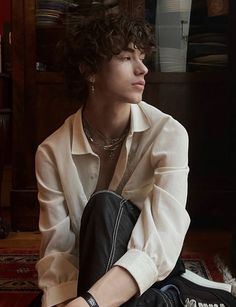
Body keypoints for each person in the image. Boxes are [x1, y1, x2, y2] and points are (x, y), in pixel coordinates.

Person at [34, 13, 236, 307]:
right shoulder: (51, 152)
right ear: (89, 70)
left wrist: (89, 302)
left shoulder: (169, 134)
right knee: (101, 211)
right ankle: (174, 298)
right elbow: (58, 250)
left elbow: (163, 240)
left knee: (105, 206)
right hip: (96, 279)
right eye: (127, 57)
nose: (142, 69)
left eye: (142, 57)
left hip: (153, 268)